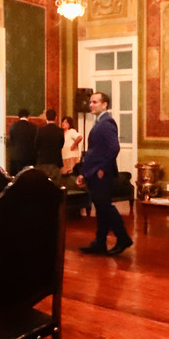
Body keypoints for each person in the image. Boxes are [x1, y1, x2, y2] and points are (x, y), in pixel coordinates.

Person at [77, 92, 132, 256]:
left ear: (104, 105)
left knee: (104, 207)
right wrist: (85, 173)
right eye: (90, 102)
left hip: (101, 174)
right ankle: (99, 242)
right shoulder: (100, 122)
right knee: (101, 209)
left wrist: (102, 168)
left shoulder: (106, 123)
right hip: (95, 173)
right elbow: (96, 151)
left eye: (95, 102)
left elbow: (114, 148)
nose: (91, 105)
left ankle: (123, 238)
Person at [34, 108, 65, 181]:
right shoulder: (60, 131)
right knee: (55, 183)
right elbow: (61, 145)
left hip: (43, 160)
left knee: (43, 182)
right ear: (56, 118)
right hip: (56, 161)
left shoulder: (40, 130)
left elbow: (36, 145)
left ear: (46, 117)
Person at [8, 108, 37, 175]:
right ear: (28, 116)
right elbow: (35, 142)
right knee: (29, 177)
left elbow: (12, 141)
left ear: (19, 116)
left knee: (18, 177)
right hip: (30, 157)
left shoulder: (13, 127)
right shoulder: (33, 127)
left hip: (16, 156)